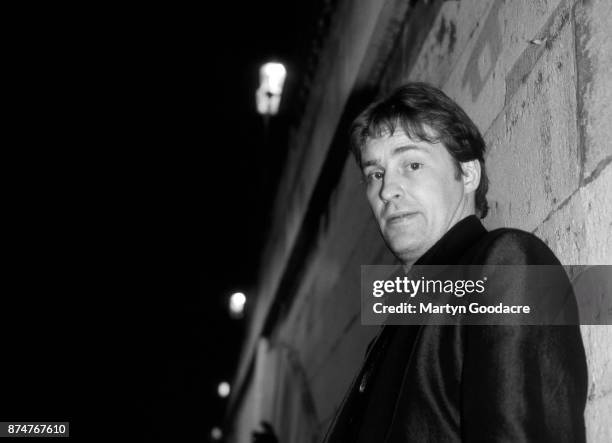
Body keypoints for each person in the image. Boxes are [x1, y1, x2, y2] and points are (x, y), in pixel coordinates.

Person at [323, 83, 587, 442]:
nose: (387, 191)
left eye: (412, 164)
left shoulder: (504, 266)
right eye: (376, 174)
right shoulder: (400, 317)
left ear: (468, 174)